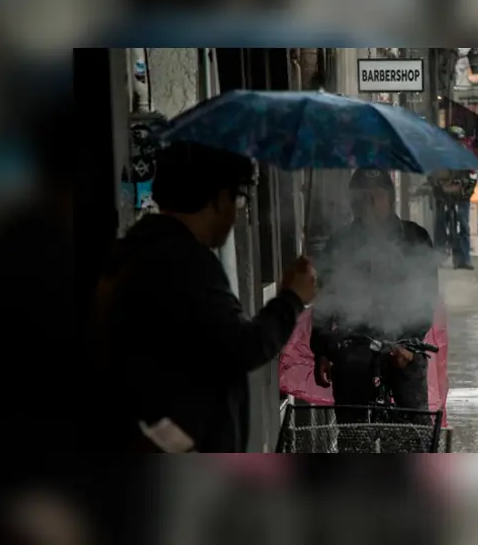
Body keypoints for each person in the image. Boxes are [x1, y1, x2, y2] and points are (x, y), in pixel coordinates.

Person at [89, 142, 316, 452]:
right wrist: (292, 299)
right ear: (217, 199)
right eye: (237, 197)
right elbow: (241, 346)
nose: (236, 211)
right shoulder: (182, 261)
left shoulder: (144, 248)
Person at [311, 169, 440, 433]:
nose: (368, 204)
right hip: (353, 348)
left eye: (376, 197)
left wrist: (410, 344)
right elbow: (325, 299)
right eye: (361, 197)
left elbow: (426, 298)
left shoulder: (415, 238)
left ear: (390, 198)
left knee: (415, 435)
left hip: (404, 346)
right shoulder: (339, 244)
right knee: (353, 435)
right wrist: (322, 350)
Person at [429, 126, 477, 270]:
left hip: (461, 194)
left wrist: (465, 186)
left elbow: (473, 174)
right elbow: (433, 174)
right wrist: (436, 184)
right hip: (443, 193)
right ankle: (438, 256)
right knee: (440, 222)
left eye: (459, 141)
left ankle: (464, 259)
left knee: (463, 223)